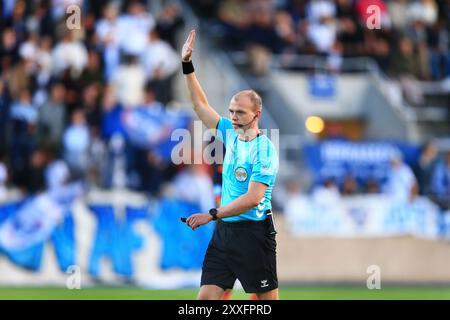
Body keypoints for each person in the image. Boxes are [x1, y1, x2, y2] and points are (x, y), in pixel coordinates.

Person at [182, 30, 279, 300]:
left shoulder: (264, 149)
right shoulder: (230, 133)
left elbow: (253, 198)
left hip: (253, 234)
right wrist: (187, 65)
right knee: (205, 300)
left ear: (256, 115)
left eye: (240, 112)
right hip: (224, 233)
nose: (233, 117)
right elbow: (199, 105)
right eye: (232, 111)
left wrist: (211, 215)